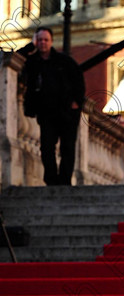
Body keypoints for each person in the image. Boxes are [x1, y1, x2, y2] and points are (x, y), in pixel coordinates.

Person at [22, 27, 85, 185]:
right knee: (47, 148)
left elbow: (78, 81)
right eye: (39, 40)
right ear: (36, 41)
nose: (42, 43)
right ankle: (51, 180)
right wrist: (30, 46)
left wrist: (77, 102)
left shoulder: (65, 61)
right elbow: (15, 57)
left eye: (45, 40)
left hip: (67, 112)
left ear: (51, 42)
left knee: (67, 147)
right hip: (46, 112)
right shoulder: (32, 62)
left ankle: (64, 181)